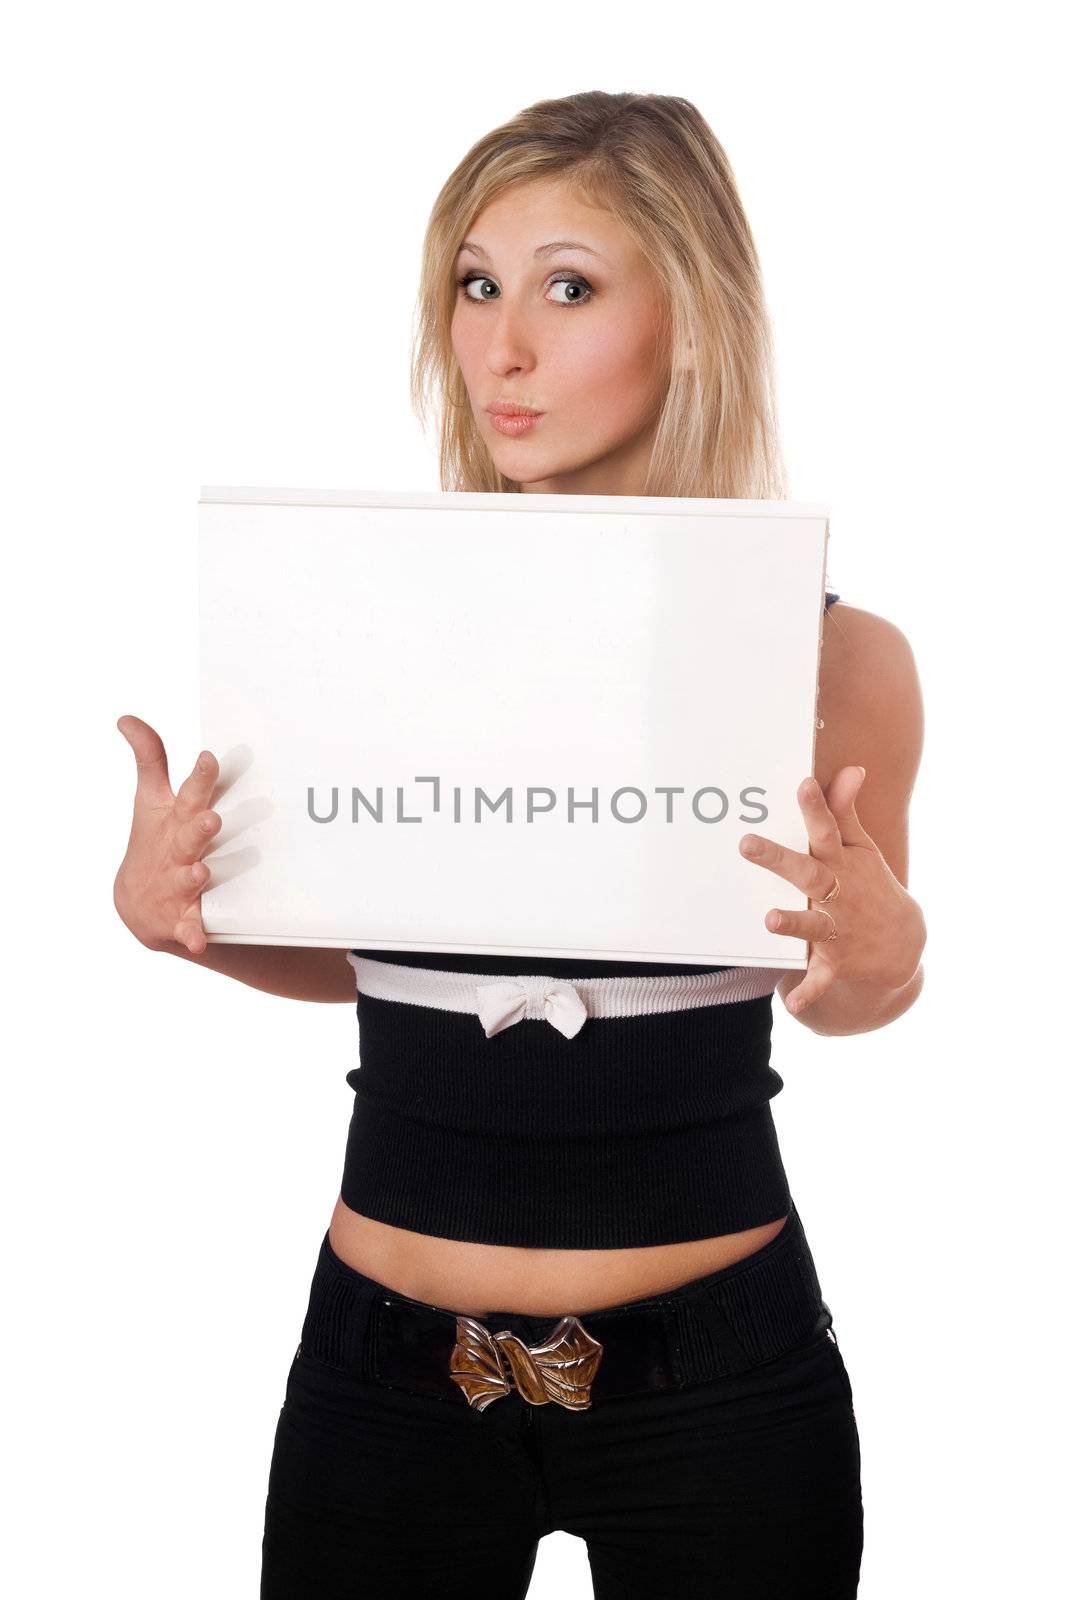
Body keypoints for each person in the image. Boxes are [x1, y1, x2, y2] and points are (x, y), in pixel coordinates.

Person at [114, 91, 927, 1599]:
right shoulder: (358, 619)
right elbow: (377, 957)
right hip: (387, 1370)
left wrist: (886, 959)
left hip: (716, 1378)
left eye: (568, 286)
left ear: (691, 319)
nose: (502, 345)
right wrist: (190, 917)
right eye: (477, 285)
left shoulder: (836, 656)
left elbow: (844, 979)